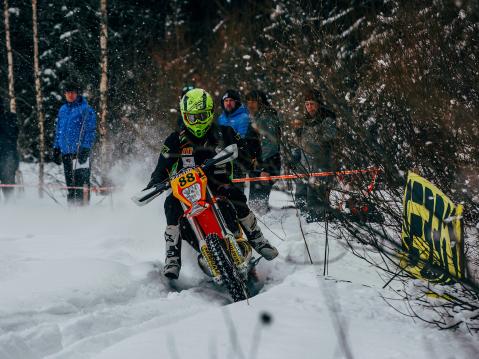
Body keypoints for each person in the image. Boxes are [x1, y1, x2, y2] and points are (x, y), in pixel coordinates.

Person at [146, 88, 278, 279]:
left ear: (209, 114)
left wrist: (244, 156)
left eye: (201, 116)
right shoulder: (176, 139)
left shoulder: (224, 132)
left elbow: (244, 153)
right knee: (170, 204)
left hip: (218, 183)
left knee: (236, 195)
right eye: (192, 118)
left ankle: (257, 239)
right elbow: (162, 166)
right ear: (185, 117)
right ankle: (172, 256)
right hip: (188, 192)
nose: (197, 122)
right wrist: (155, 183)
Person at [292, 88, 337, 222]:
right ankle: (303, 219)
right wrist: (294, 156)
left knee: (315, 196)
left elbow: (327, 137)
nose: (309, 107)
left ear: (318, 104)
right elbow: (298, 143)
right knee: (300, 194)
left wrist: (310, 133)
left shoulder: (327, 118)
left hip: (320, 164)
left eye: (312, 103)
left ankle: (318, 221)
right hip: (304, 164)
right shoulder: (304, 120)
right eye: (307, 104)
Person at [52, 81, 97, 205]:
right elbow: (59, 130)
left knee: (81, 185)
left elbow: (90, 130)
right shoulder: (63, 109)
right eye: (68, 92)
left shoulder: (85, 109)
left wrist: (86, 148)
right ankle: (72, 212)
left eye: (73, 92)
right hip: (66, 153)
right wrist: (56, 148)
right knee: (70, 185)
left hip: (79, 153)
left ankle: (83, 211)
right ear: (65, 94)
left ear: (77, 94)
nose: (70, 95)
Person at [246, 90, 281, 214]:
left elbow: (270, 145)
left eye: (254, 102)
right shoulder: (257, 116)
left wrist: (264, 168)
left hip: (266, 165)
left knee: (258, 207)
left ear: (261, 103)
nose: (250, 105)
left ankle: (269, 229)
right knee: (255, 204)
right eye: (248, 102)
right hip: (258, 166)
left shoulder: (266, 118)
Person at [217, 89, 260, 190]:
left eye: (231, 100)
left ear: (236, 102)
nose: (228, 103)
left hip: (238, 158)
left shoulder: (243, 117)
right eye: (226, 100)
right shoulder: (221, 117)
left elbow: (243, 139)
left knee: (236, 189)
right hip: (223, 157)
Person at [0, 100, 19, 201]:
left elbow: (13, 134)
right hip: (8, 155)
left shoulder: (10, 117)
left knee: (8, 183)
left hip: (8, 155)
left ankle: (10, 205)